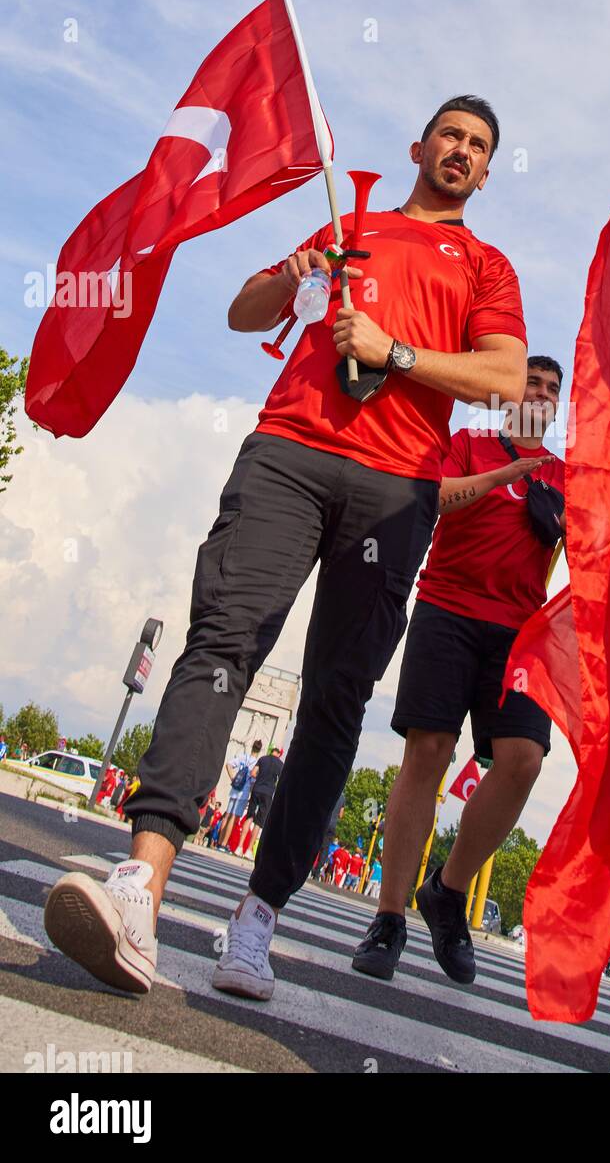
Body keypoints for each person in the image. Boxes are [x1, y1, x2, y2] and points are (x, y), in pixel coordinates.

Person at [44, 95, 527, 1003]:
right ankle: (141, 882)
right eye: (449, 137)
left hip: (396, 488)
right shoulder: (351, 226)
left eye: (478, 146)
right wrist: (296, 274)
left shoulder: (487, 266)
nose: (460, 151)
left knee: (335, 700)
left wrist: (398, 353)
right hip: (289, 454)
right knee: (221, 645)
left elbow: (504, 375)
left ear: (488, 171)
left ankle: (259, 918)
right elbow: (242, 310)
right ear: (418, 147)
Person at [352, 357, 564, 984]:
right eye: (532, 382)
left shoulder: (566, 474)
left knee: (523, 758)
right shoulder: (470, 442)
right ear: (510, 391)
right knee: (428, 753)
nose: (542, 394)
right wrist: (507, 474)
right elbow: (438, 500)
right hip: (447, 610)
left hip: (521, 634)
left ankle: (448, 889)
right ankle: (389, 917)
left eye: (553, 389)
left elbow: (594, 548)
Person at [217, 740, 263, 850]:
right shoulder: (256, 763)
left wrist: (232, 777)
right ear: (259, 750)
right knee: (234, 817)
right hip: (244, 791)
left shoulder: (243, 757)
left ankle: (218, 841)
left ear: (252, 747)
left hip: (235, 788)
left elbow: (228, 764)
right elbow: (252, 780)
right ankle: (224, 843)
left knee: (227, 815)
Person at [239, 746, 284, 858]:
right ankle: (249, 850)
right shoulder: (280, 764)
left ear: (271, 751)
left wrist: (260, 778)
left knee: (249, 816)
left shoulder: (262, 759)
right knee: (259, 822)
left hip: (257, 789)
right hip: (268, 793)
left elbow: (253, 773)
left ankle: (239, 847)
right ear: (279, 754)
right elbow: (281, 780)